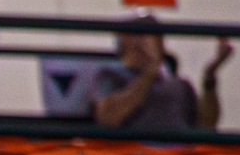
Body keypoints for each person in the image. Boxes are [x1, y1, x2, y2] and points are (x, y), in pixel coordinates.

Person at [89, 16, 232, 132]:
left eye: (155, 36)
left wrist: (210, 74)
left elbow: (206, 125)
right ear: (124, 41)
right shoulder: (109, 76)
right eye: (140, 35)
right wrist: (150, 70)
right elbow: (107, 119)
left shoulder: (180, 84)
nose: (148, 41)